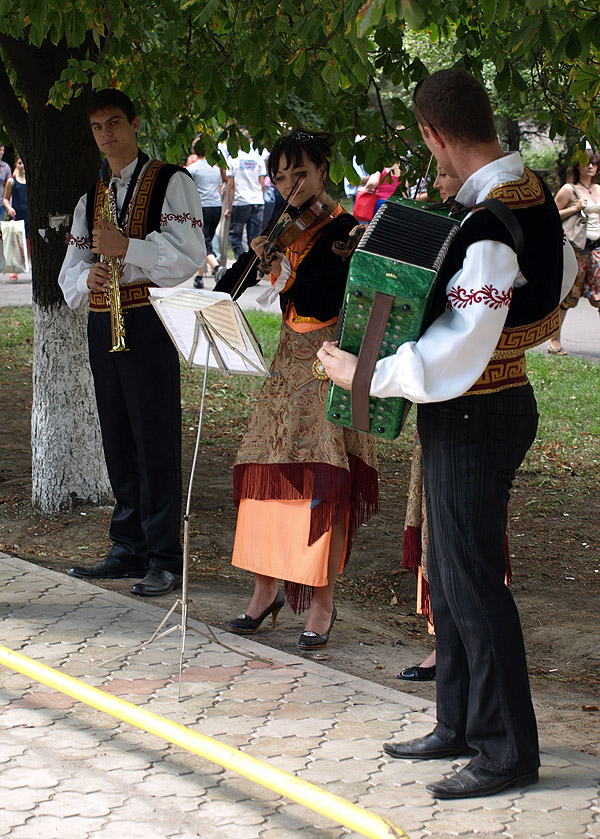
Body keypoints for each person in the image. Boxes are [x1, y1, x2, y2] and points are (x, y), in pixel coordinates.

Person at [318, 68, 577, 799]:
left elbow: (461, 344)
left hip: (475, 407)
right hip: (488, 402)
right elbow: (554, 289)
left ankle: (505, 750)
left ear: (435, 135)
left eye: (426, 142)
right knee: (454, 569)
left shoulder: (493, 222)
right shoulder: (520, 193)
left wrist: (364, 374)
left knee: (470, 582)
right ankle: (459, 720)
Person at [215, 130, 378, 649]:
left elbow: (334, 298)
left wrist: (286, 279)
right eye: (281, 177)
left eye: (299, 173)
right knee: (267, 474)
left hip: (328, 362)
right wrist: (251, 255)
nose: (290, 185)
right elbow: (227, 294)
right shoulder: (279, 226)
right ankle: (265, 590)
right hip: (286, 364)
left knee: (320, 483)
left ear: (323, 170)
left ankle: (322, 601)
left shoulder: (348, 229)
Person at [58, 89, 206, 597]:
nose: (106, 135)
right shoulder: (93, 193)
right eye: (98, 127)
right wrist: (87, 281)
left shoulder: (171, 181)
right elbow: (69, 272)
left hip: (148, 319)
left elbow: (190, 255)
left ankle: (165, 556)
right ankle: (128, 546)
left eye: (115, 123)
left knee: (155, 438)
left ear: (135, 124)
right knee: (117, 436)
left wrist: (129, 248)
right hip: (103, 321)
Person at [398, 167, 464, 684]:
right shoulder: (449, 224)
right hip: (437, 401)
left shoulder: (483, 227)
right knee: (434, 527)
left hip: (474, 400)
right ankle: (443, 641)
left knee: (463, 539)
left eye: (443, 173)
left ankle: (456, 647)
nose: (438, 185)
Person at [548, 149, 600, 354]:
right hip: (576, 250)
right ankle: (554, 341)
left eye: (594, 163)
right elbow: (551, 215)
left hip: (597, 249)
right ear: (577, 165)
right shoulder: (569, 190)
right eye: (586, 162)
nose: (590, 166)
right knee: (567, 297)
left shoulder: (598, 189)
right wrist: (575, 207)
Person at [186, 136, 226, 288]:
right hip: (216, 207)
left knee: (203, 242)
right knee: (206, 239)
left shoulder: (192, 169)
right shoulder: (215, 168)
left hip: (201, 208)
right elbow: (219, 186)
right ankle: (199, 277)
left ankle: (217, 268)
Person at [225, 132, 267, 259]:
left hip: (241, 202)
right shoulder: (258, 158)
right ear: (250, 141)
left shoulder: (233, 159)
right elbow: (262, 184)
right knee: (254, 239)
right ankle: (252, 265)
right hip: (257, 202)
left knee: (235, 236)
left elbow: (230, 185)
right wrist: (261, 199)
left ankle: (242, 262)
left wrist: (228, 207)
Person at [2, 157, 29, 281]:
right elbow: (5, 198)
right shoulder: (12, 182)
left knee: (30, 243)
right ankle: (15, 270)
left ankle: (29, 266)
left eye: (24, 163)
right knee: (16, 244)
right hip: (18, 215)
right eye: (19, 163)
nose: (22, 165)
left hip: (30, 215)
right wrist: (8, 207)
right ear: (16, 165)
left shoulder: (30, 180)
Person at [0, 144, 12, 222]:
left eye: (2, 150)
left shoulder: (5, 167)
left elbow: (10, 186)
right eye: (0, 150)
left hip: (1, 203)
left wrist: (9, 205)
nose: (2, 152)